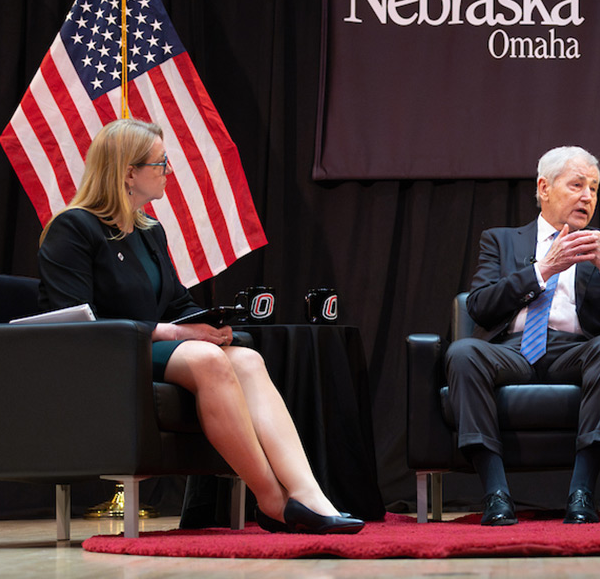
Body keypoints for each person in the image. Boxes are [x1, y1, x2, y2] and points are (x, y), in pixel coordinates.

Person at [37, 118, 363, 535]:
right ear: (127, 172)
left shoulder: (149, 232)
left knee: (244, 357)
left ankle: (308, 494)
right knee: (208, 360)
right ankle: (271, 499)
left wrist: (208, 324)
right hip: (102, 353)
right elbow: (76, 318)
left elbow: (175, 303)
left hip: (147, 348)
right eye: (160, 162)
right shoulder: (73, 227)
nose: (168, 170)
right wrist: (172, 333)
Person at [445, 146, 600, 525]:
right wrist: (541, 271)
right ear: (544, 187)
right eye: (577, 185)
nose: (588, 196)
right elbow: (478, 305)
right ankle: (495, 494)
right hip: (511, 353)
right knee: (463, 353)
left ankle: (582, 493)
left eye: (594, 187)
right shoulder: (501, 241)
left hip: (575, 353)